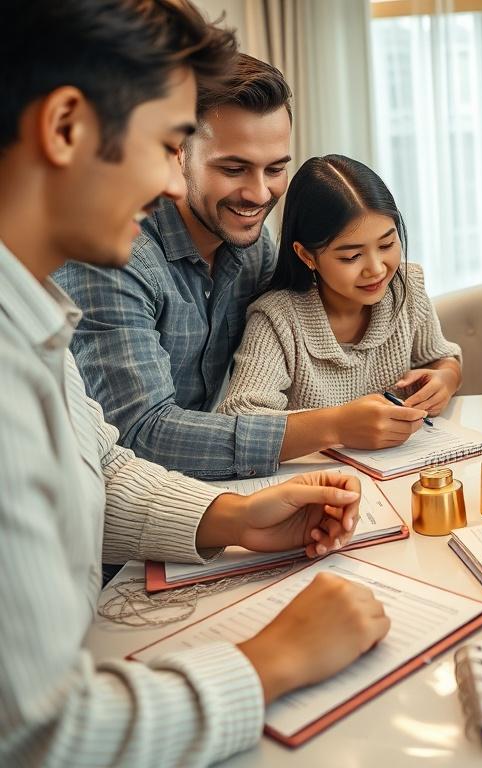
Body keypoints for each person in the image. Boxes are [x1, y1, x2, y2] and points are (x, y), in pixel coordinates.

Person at [0, 3, 390, 764]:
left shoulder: (31, 309)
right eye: (170, 144)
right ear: (67, 127)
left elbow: (103, 465)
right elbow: (43, 738)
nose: (174, 182)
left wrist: (234, 516)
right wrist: (273, 660)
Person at [55, 52, 360, 480]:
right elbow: (141, 435)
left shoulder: (253, 244)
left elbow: (296, 349)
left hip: (216, 493)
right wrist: (333, 427)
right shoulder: (113, 254)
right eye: (234, 168)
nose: (258, 194)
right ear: (177, 152)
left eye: (275, 169)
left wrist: (438, 369)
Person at [218, 154, 462, 445]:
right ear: (307, 256)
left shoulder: (406, 287)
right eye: (351, 256)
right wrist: (337, 425)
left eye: (387, 243)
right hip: (321, 480)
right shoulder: (278, 320)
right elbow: (239, 417)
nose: (377, 268)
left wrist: (446, 378)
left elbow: (440, 358)